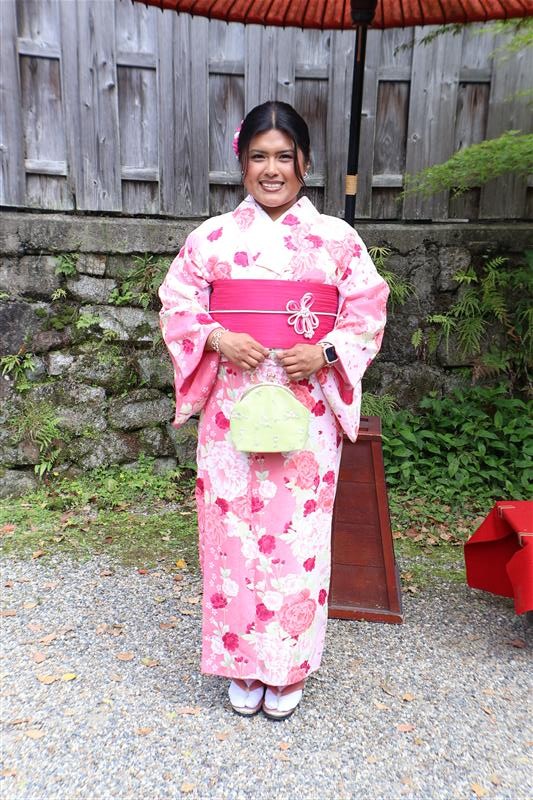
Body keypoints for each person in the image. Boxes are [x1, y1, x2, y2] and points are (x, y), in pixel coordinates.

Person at [159, 101, 389, 720]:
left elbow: (368, 309)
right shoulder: (211, 238)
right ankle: (240, 660)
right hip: (231, 409)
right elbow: (177, 303)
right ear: (242, 164)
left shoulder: (337, 240)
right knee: (229, 534)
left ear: (304, 163)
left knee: (298, 538)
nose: (271, 169)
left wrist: (326, 352)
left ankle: (287, 666)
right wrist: (216, 337)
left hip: (305, 408)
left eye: (284, 156)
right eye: (258, 156)